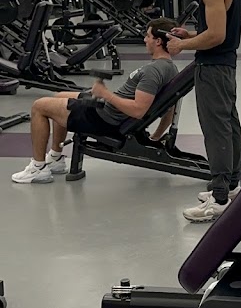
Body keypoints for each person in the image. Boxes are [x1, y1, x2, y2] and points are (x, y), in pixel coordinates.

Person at [11, 18, 179, 185]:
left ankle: (38, 168)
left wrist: (105, 94)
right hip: (110, 111)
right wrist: (156, 137)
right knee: (59, 97)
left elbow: (138, 110)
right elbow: (170, 107)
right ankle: (55, 158)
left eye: (148, 36)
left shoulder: (153, 71)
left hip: (104, 118)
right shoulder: (170, 68)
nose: (145, 39)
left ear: (158, 41)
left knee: (39, 106)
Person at [167, 0, 241, 223]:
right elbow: (219, 25)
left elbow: (216, 35)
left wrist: (182, 45)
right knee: (228, 123)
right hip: (226, 63)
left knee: (216, 129)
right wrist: (189, 34)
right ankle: (232, 185)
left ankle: (220, 197)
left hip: (213, 65)